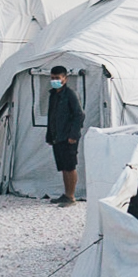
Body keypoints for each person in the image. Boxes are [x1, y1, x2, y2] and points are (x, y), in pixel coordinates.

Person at [46, 65, 84, 205]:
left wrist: (73, 135)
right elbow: (51, 117)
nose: (54, 80)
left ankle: (71, 196)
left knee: (70, 166)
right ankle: (66, 194)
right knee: (63, 166)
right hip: (57, 136)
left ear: (65, 78)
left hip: (68, 137)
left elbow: (79, 115)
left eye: (57, 78)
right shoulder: (53, 95)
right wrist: (50, 136)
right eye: (52, 78)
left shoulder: (70, 94)